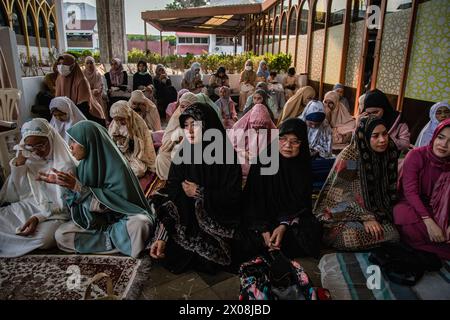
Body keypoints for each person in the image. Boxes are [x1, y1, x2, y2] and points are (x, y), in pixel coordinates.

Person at [38, 120, 155, 258]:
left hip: (124, 221)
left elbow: (113, 206)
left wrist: (78, 188)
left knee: (141, 224)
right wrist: (65, 186)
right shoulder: (82, 168)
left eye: (74, 142)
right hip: (100, 225)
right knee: (61, 235)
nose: (70, 147)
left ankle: (114, 243)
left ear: (89, 142)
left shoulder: (119, 168)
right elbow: (79, 207)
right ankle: (120, 243)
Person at [149, 103, 242, 274]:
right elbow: (173, 191)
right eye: (185, 126)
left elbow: (233, 196)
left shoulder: (226, 155)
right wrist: (163, 235)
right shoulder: (184, 152)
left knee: (210, 259)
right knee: (171, 251)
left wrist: (200, 192)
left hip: (217, 214)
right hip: (187, 215)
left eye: (195, 125)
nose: (189, 131)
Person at [239, 118, 322, 262]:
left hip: (289, 220)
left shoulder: (303, 166)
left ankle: (274, 243)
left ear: (302, 144)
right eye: (283, 139)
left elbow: (302, 204)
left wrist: (284, 225)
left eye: (295, 141)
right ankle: (269, 241)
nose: (287, 145)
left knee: (312, 230)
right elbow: (251, 201)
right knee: (244, 236)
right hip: (261, 220)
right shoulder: (262, 163)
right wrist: (262, 229)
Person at [313, 115, 400, 251]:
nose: (382, 140)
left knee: (394, 234)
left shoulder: (389, 152)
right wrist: (365, 217)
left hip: (376, 209)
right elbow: (340, 194)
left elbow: (389, 188)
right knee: (344, 236)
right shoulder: (352, 157)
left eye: (385, 134)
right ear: (364, 136)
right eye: (375, 136)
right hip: (342, 210)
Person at [0, 119, 76, 257]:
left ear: (50, 139)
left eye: (40, 145)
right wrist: (19, 163)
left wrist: (37, 218)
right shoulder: (31, 159)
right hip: (31, 205)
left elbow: (67, 208)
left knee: (44, 238)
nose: (37, 151)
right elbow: (18, 194)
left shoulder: (65, 165)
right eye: (30, 147)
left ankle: (11, 242)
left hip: (55, 214)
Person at [394, 119, 450, 260]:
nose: (443, 144)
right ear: (434, 136)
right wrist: (430, 223)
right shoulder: (417, 155)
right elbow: (410, 192)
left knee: (442, 232)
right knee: (409, 225)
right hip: (411, 204)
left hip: (439, 210)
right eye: (441, 137)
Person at [155, 92, 198, 180]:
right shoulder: (176, 119)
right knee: (161, 157)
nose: (185, 109)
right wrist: (175, 139)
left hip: (193, 154)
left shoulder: (199, 118)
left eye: (188, 107)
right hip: (176, 150)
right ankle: (173, 179)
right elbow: (166, 139)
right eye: (182, 107)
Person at [108, 101, 156, 178]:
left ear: (128, 115)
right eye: (117, 120)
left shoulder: (139, 123)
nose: (119, 122)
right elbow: (110, 141)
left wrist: (129, 140)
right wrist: (116, 140)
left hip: (133, 154)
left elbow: (143, 145)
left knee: (139, 170)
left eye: (122, 119)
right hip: (118, 153)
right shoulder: (115, 124)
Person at [55, 53, 106, 125]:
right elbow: (57, 101)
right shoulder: (59, 79)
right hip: (66, 112)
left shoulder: (81, 80)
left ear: (72, 66)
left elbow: (84, 106)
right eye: (59, 64)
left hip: (85, 113)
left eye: (64, 64)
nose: (61, 67)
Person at [230, 103, 276, 180]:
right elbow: (231, 147)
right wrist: (245, 154)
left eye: (262, 130)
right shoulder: (239, 127)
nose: (258, 132)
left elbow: (275, 152)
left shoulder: (272, 130)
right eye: (255, 129)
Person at [299, 101, 334, 190]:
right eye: (310, 123)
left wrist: (316, 151)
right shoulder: (298, 125)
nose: (314, 126)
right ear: (305, 118)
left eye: (317, 124)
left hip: (317, 157)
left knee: (333, 164)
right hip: (299, 157)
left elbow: (328, 150)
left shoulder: (326, 127)